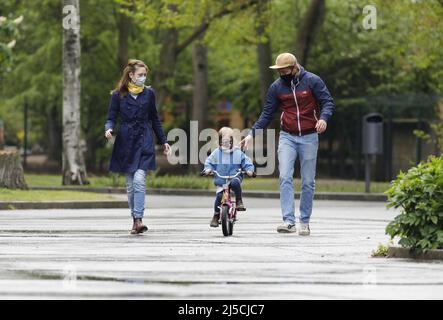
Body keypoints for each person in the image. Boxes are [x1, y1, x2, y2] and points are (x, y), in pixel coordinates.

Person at [240, 53, 335, 235]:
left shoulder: (312, 81)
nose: (282, 74)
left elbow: (327, 102)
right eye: (279, 71)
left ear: (294, 68)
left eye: (284, 70)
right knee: (284, 176)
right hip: (287, 136)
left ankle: (305, 221)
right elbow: (267, 113)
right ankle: (289, 221)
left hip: (309, 136)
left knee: (308, 181)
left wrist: (323, 119)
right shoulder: (276, 87)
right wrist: (252, 134)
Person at [104, 59, 171, 235]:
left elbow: (155, 118)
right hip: (125, 142)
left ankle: (139, 219)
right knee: (130, 186)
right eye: (140, 75)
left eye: (145, 75)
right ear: (131, 75)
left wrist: (164, 141)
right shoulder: (118, 95)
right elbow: (111, 117)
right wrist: (108, 128)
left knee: (139, 181)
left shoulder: (149, 94)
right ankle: (135, 220)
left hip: (144, 141)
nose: (143, 78)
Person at [203, 127, 255, 228]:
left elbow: (246, 161)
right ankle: (216, 215)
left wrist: (249, 170)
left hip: (234, 176)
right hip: (221, 179)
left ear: (232, 141)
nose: (226, 143)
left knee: (235, 183)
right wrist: (208, 169)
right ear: (219, 141)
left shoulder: (237, 152)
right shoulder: (216, 153)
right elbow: (209, 161)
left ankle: (239, 200)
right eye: (223, 141)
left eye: (229, 141)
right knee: (219, 197)